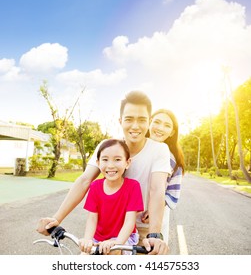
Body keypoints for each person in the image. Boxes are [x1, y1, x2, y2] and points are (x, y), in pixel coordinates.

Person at [37, 91, 170, 255]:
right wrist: (57, 219)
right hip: (106, 229)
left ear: (149, 122)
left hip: (142, 229)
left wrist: (154, 234)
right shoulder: (108, 147)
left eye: (142, 120)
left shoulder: (159, 150)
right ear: (120, 121)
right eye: (129, 119)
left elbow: (157, 190)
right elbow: (85, 180)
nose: (135, 126)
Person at [79, 139, 144, 255]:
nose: (110, 165)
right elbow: (92, 219)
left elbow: (130, 221)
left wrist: (117, 243)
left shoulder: (133, 186)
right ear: (98, 163)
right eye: (105, 160)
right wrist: (88, 240)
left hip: (123, 238)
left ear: (127, 163)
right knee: (83, 256)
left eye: (117, 160)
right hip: (98, 238)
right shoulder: (95, 186)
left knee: (113, 253)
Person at [146, 109, 185, 243]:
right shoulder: (133, 149)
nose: (160, 128)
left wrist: (153, 210)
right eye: (157, 122)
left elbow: (172, 193)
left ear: (172, 132)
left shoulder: (174, 161)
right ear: (149, 123)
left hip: (156, 217)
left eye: (167, 125)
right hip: (128, 212)